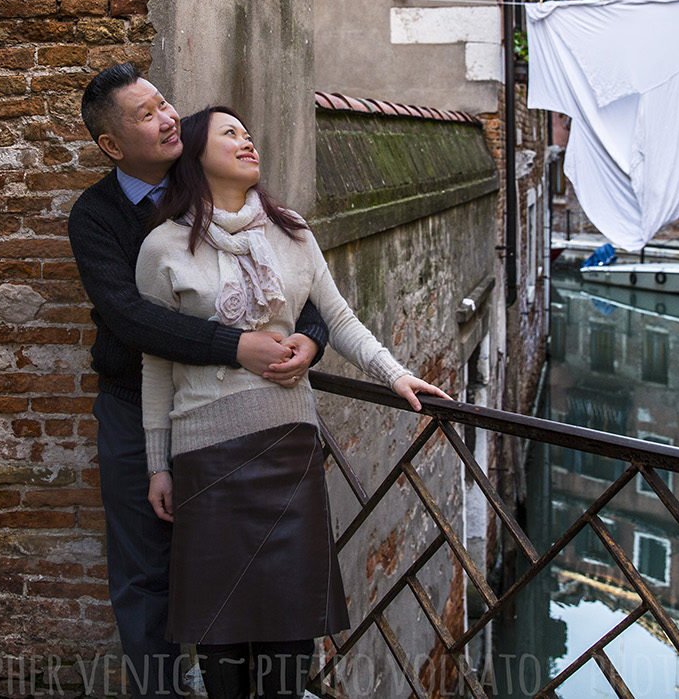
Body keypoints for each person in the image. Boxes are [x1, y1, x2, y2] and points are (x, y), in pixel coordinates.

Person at [136, 106, 449, 699]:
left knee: (291, 624)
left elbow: (338, 317)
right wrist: (158, 462)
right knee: (220, 627)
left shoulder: (293, 232)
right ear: (196, 153)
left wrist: (395, 375)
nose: (247, 140)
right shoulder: (163, 247)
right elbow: (157, 361)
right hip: (206, 455)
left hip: (289, 447)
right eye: (230, 133)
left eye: (249, 132)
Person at [67, 65, 332, 699]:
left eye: (165, 105)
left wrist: (311, 341)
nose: (165, 119)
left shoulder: (224, 188)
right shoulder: (96, 216)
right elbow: (133, 319)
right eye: (145, 115)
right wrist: (235, 346)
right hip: (138, 408)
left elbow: (303, 284)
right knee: (144, 570)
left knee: (247, 563)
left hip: (238, 420)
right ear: (111, 145)